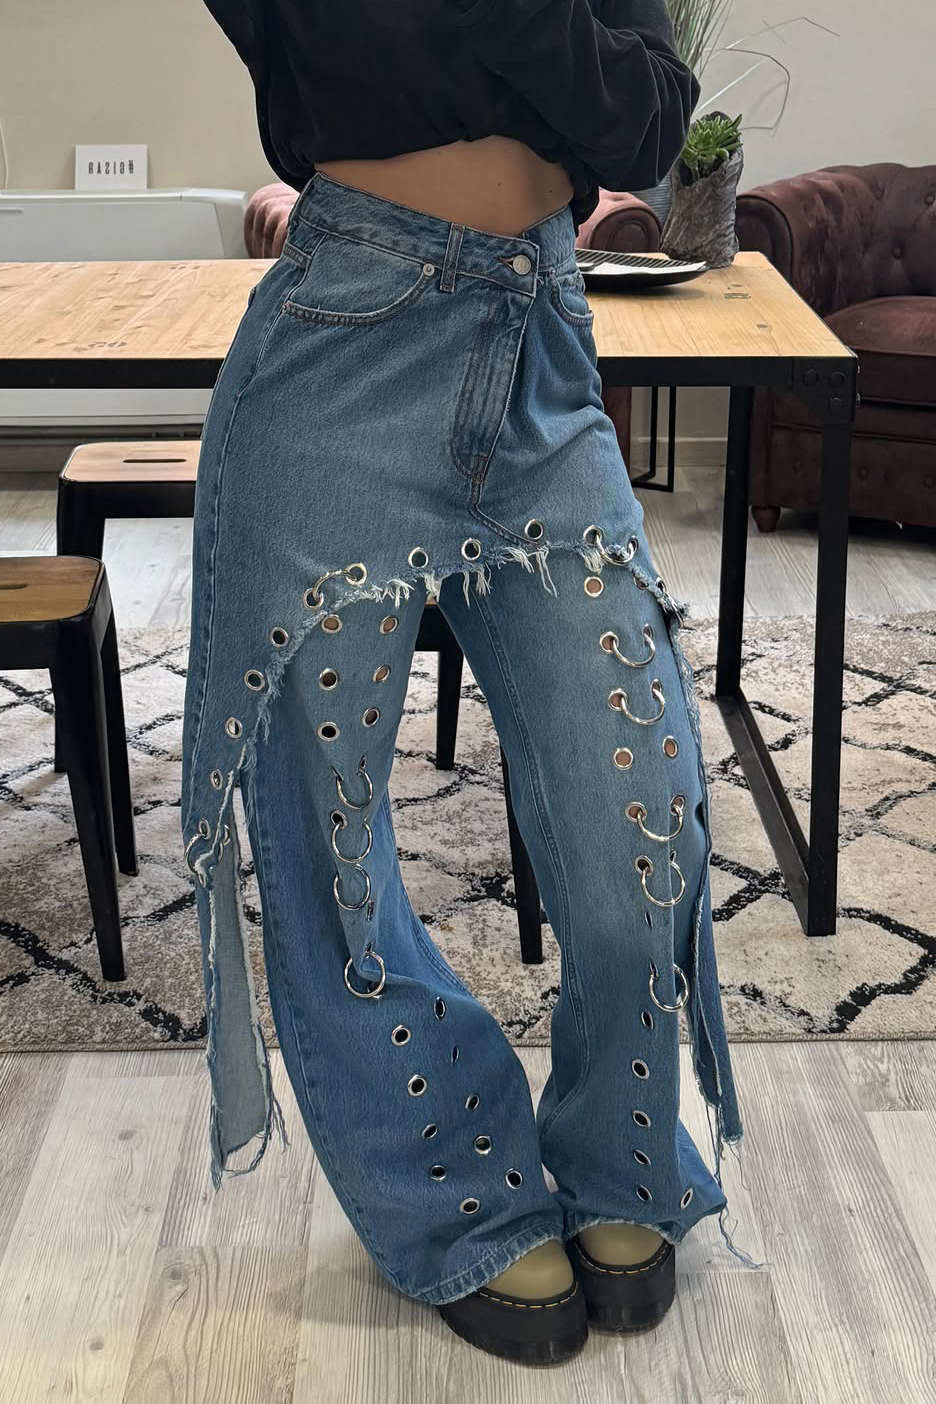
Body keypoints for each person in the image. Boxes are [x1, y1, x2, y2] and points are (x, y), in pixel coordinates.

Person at [183, 0, 757, 1367]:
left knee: (643, 814)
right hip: (341, 340)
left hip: (544, 350)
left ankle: (618, 1150)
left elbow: (644, 127)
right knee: (329, 840)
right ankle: (451, 1180)